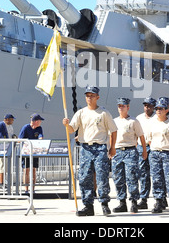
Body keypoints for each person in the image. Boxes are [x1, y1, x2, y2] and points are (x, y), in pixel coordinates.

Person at [62, 86, 118, 216]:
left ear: (97, 97)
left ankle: (104, 204)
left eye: (92, 95)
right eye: (87, 95)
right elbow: (72, 129)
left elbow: (114, 130)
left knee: (102, 176)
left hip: (100, 148)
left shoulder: (104, 113)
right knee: (85, 177)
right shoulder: (81, 113)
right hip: (86, 148)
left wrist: (112, 147)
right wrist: (66, 125)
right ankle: (88, 205)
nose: (89, 98)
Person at [112, 98, 147, 213]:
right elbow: (110, 137)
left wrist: (144, 151)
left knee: (132, 177)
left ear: (128, 107)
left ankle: (134, 202)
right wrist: (110, 150)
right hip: (117, 152)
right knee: (118, 178)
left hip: (130, 151)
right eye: (119, 106)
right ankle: (122, 202)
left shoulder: (133, 121)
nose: (121, 108)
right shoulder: (114, 121)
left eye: (123, 106)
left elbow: (141, 136)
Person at [135, 97, 156, 209]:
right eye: (145, 105)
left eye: (149, 105)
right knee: (143, 174)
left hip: (154, 148)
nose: (147, 108)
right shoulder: (139, 118)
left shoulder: (157, 118)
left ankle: (161, 198)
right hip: (141, 148)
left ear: (153, 106)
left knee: (158, 175)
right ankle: (143, 199)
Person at [18, 113, 45, 193]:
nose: (41, 122)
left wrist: (39, 142)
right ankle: (26, 189)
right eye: (40, 121)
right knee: (26, 170)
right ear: (36, 121)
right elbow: (20, 139)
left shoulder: (39, 128)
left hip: (35, 152)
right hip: (26, 152)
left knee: (33, 170)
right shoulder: (26, 127)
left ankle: (32, 190)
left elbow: (41, 137)